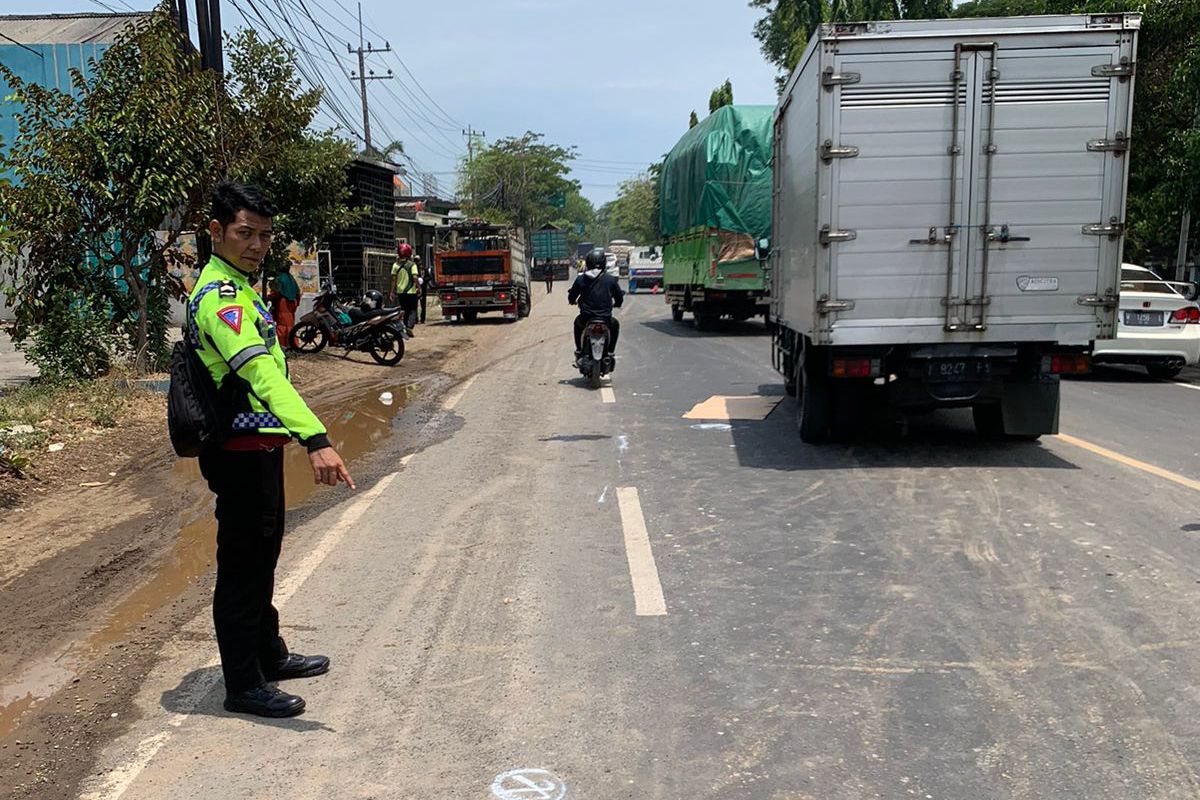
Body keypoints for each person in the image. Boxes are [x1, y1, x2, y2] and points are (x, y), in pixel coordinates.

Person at [189, 182, 355, 719]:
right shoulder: (221, 298)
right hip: (237, 454)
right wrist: (316, 439)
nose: (257, 244)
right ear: (216, 232)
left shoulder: (240, 286)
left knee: (263, 557)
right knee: (243, 564)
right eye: (245, 233)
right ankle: (242, 684)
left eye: (264, 235)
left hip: (256, 448)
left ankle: (268, 655)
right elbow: (261, 372)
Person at [568, 248, 624, 358]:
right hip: (605, 318)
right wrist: (617, 303)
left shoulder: (581, 279)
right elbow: (619, 298)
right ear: (604, 263)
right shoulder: (610, 279)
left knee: (577, 324)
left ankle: (579, 350)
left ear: (588, 263)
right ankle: (610, 352)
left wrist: (572, 301)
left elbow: (572, 296)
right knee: (615, 325)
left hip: (586, 318)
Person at [266, 261, 301, 349]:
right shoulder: (291, 278)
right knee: (290, 324)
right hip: (293, 303)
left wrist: (267, 298)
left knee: (282, 324)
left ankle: (282, 343)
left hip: (283, 303)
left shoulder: (279, 278)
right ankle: (292, 343)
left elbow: (276, 292)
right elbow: (298, 292)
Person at [390, 242, 420, 337]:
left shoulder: (395, 265)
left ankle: (406, 327)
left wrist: (391, 292)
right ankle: (409, 326)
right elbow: (415, 277)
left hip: (400, 292)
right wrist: (419, 287)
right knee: (413, 310)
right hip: (411, 292)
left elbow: (393, 280)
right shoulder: (412, 265)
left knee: (405, 309)